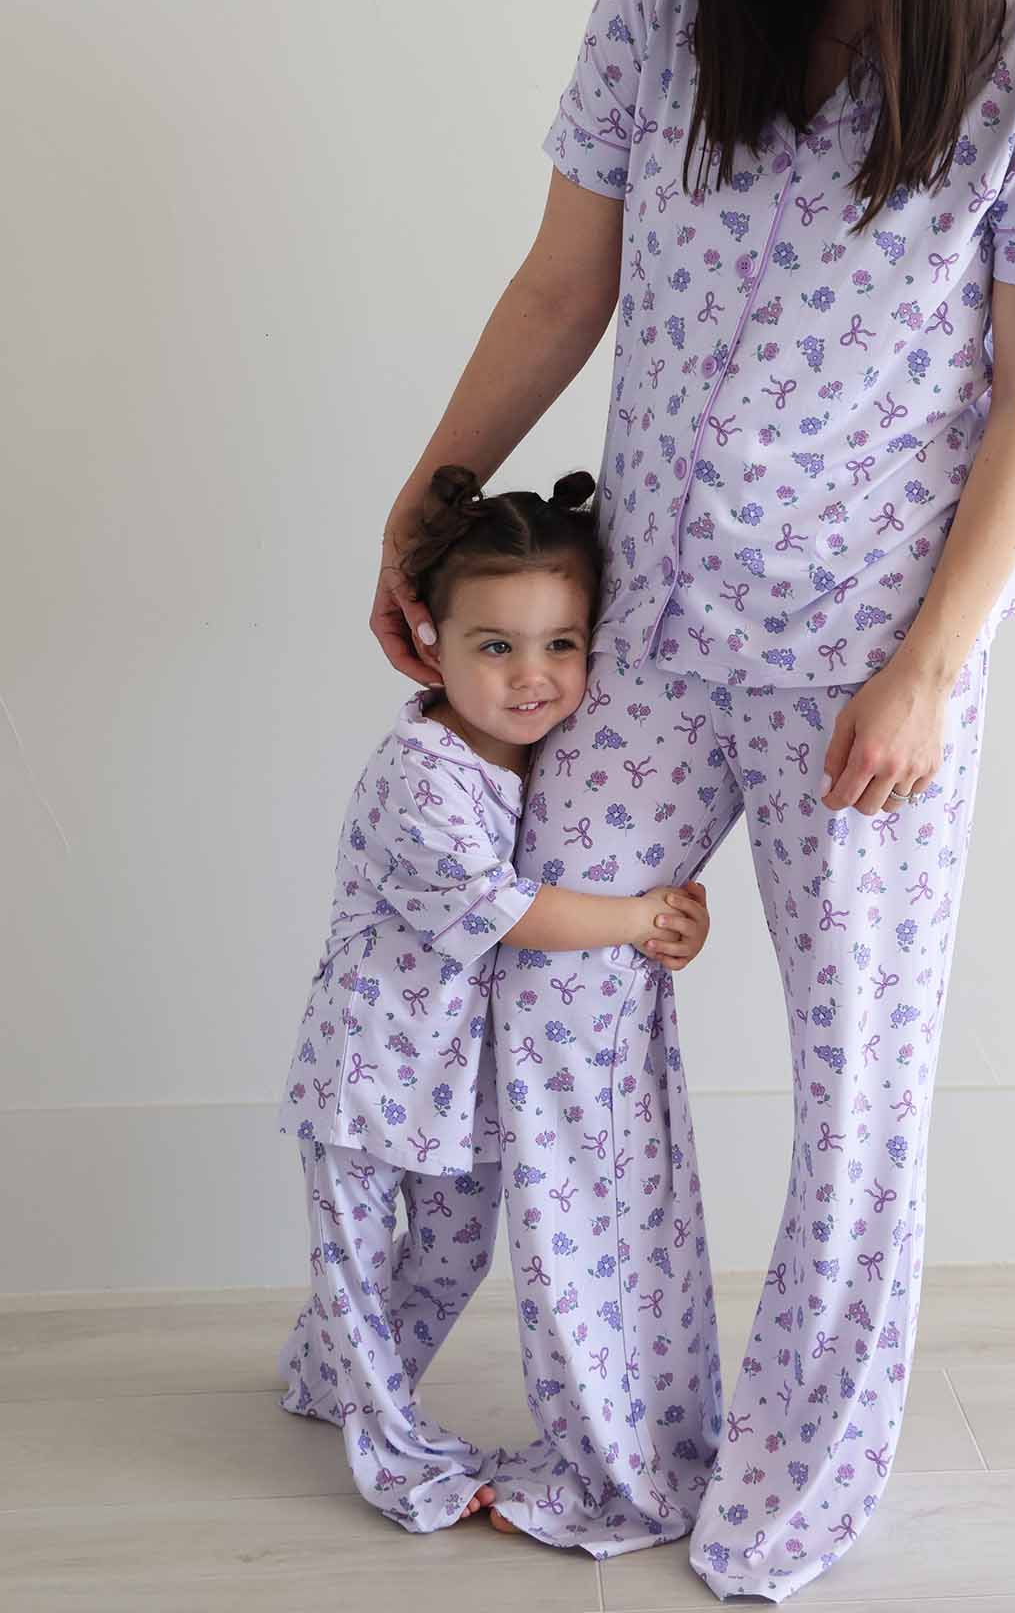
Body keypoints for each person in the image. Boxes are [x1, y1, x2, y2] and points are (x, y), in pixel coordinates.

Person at [371, 0, 1015, 1601]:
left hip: (866, 661)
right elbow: (567, 280)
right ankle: (626, 1445)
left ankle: (797, 1479)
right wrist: (435, 496)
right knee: (554, 968)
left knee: (854, 1079)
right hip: (645, 621)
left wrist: (929, 666)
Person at [278, 463, 711, 1531]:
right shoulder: (421, 773)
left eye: (561, 643)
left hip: (461, 1078)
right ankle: (398, 1458)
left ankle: (321, 1377)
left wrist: (672, 918)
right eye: (495, 646)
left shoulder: (547, 764)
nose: (532, 677)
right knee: (357, 1268)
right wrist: (638, 916)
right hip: (368, 1070)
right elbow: (504, 909)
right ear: (430, 641)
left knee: (450, 1254)